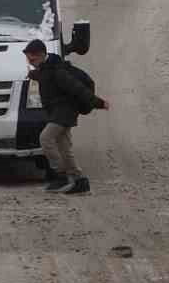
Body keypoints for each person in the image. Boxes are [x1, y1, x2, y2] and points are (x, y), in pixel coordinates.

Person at [23, 39, 108, 195]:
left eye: (32, 59)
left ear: (42, 55)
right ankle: (80, 182)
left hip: (64, 113)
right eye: (28, 59)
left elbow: (78, 89)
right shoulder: (45, 68)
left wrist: (99, 103)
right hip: (58, 113)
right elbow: (43, 76)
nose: (30, 62)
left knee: (45, 138)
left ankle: (60, 175)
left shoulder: (58, 71)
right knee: (64, 148)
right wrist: (32, 74)